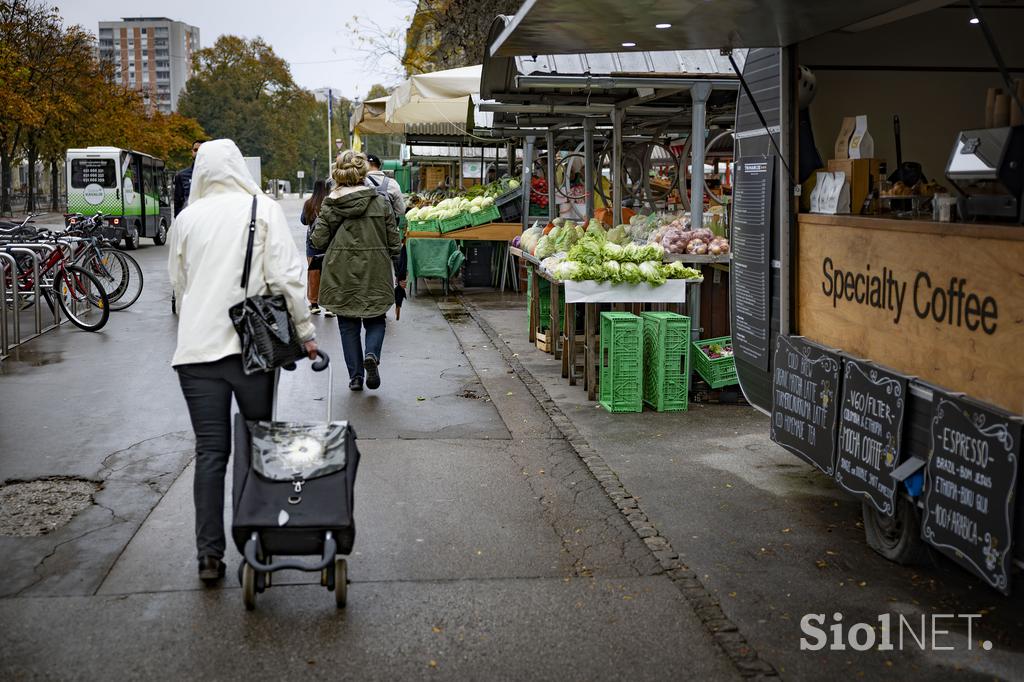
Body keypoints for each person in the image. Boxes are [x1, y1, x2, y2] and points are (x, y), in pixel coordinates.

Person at [168, 139, 317, 585]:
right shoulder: (263, 209)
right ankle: (256, 545)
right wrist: (306, 336)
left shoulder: (186, 219)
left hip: (195, 354)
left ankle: (208, 556)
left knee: (210, 453)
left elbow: (178, 282)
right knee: (257, 445)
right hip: (252, 350)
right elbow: (287, 279)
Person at [311, 150, 401, 391]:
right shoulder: (380, 201)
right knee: (376, 318)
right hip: (376, 268)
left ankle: (355, 377)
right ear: (363, 173)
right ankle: (371, 354)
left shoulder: (331, 203)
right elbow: (394, 241)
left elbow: (318, 241)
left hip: (340, 271)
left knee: (347, 324)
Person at [300, 179, 334, 317]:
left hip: (313, 243)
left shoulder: (309, 203)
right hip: (329, 243)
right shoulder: (330, 202)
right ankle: (329, 306)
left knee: (313, 273)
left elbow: (303, 221)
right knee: (329, 274)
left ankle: (314, 304)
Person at [364, 154, 405, 218]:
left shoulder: (360, 183)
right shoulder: (392, 183)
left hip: (366, 226)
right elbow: (401, 210)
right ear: (379, 166)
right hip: (387, 225)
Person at [173, 139, 204, 217]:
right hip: (190, 220)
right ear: (192, 152)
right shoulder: (182, 175)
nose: (197, 152)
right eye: (195, 150)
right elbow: (178, 202)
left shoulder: (214, 174)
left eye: (201, 150)